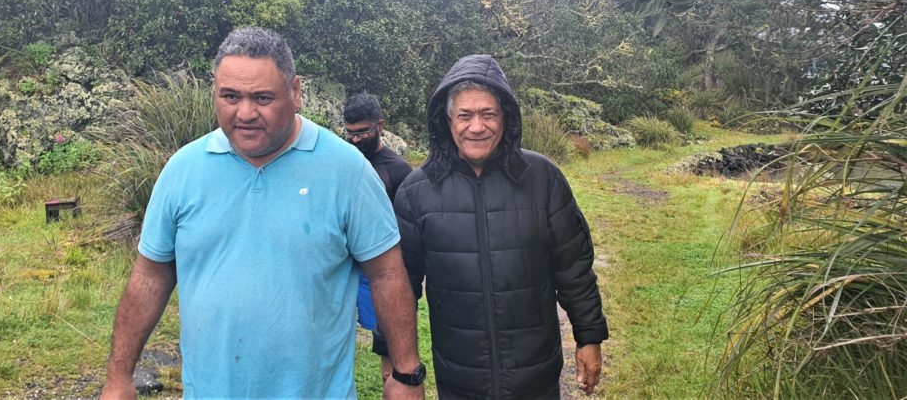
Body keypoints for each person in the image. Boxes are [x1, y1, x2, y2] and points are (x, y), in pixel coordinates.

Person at [100, 27, 425, 399]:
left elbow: (386, 274)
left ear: (296, 91)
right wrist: (118, 378)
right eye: (231, 96)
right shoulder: (182, 171)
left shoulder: (347, 171)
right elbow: (150, 277)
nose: (246, 113)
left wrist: (406, 375)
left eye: (262, 97)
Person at [392, 54, 609, 398]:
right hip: (460, 380)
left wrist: (589, 337)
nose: (476, 126)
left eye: (487, 114)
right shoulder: (416, 191)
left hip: (535, 378)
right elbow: (397, 284)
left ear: (505, 118)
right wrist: (397, 369)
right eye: (464, 115)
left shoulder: (543, 178)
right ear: (447, 121)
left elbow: (574, 267)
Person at [343, 93, 413, 382]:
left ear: (380, 126)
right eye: (350, 133)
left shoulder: (398, 171)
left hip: (377, 271)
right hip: (342, 266)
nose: (357, 140)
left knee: (385, 339)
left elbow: (408, 230)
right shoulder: (341, 162)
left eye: (363, 132)